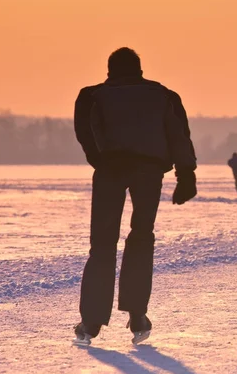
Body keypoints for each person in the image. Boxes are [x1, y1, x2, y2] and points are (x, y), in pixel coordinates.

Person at [73, 47, 197, 345]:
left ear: (110, 69)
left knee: (102, 244)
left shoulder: (91, 96)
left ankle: (90, 322)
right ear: (139, 69)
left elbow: (85, 133)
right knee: (141, 236)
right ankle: (138, 314)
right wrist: (185, 174)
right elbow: (178, 134)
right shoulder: (164, 95)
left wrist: (101, 161)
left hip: (110, 171)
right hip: (148, 172)